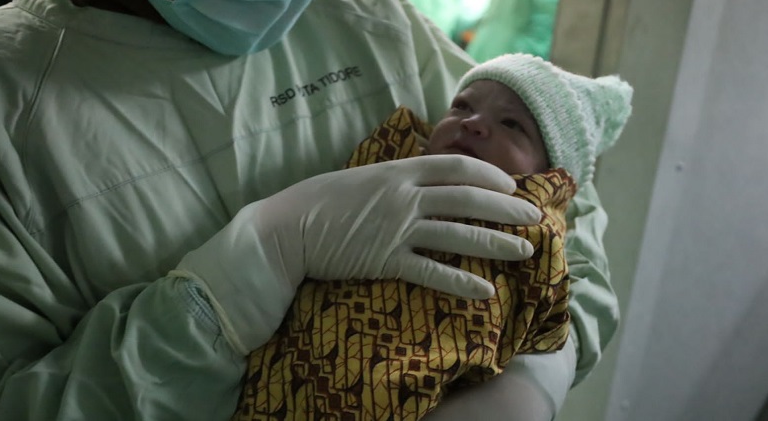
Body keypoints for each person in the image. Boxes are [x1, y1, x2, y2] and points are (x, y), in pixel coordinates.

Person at [0, 0, 620, 420]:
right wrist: (234, 285)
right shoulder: (13, 104)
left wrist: (533, 376)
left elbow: (564, 192)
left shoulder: (356, 1)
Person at [234, 53, 632, 421]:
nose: (472, 122)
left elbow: (549, 323)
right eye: (462, 105)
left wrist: (529, 382)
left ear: (548, 173)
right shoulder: (395, 157)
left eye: (512, 124)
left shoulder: (538, 231)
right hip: (302, 369)